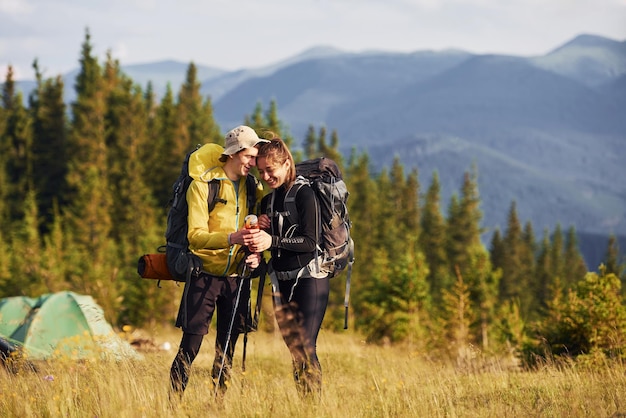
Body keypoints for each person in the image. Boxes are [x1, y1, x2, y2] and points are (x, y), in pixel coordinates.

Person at [169, 125, 268, 401]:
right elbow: (194, 236)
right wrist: (232, 237)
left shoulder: (252, 187)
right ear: (234, 154)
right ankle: (173, 404)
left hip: (238, 277)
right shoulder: (203, 185)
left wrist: (256, 249)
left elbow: (259, 226)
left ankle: (218, 405)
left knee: (227, 350)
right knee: (190, 346)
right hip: (203, 275)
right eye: (250, 156)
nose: (254, 163)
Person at [249, 137, 330, 399]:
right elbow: (275, 243)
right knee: (294, 350)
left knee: (305, 346)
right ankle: (303, 406)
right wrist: (262, 231)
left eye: (269, 170)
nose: (265, 176)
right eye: (260, 171)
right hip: (281, 281)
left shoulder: (305, 195)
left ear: (286, 164)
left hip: (310, 279)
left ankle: (312, 408)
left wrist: (272, 239)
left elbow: (309, 241)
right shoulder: (268, 202)